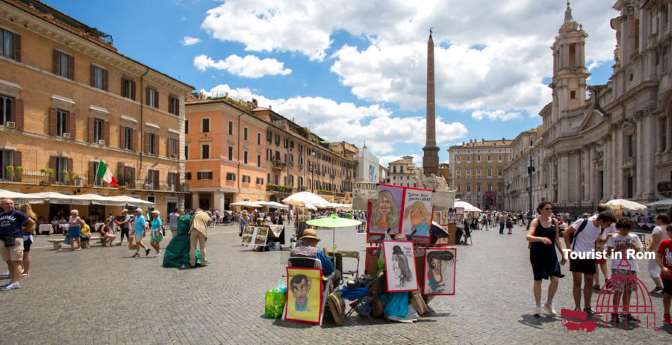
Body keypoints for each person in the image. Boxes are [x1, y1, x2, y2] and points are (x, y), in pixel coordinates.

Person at [563, 210, 616, 315]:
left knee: (589, 282)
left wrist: (607, 239)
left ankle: (587, 307)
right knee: (577, 283)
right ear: (601, 220)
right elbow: (566, 233)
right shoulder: (583, 222)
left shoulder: (602, 228)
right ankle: (577, 307)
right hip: (577, 255)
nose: (609, 226)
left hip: (590, 256)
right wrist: (569, 250)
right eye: (608, 223)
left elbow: (598, 242)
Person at [527, 201, 565, 317]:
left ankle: (548, 303)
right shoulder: (535, 221)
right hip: (537, 253)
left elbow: (557, 239)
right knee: (538, 279)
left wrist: (563, 254)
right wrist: (542, 239)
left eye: (551, 209)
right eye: (547, 209)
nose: (550, 211)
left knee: (555, 279)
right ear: (541, 210)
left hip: (551, 254)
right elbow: (528, 236)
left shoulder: (554, 222)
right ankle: (538, 306)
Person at [605, 218, 642, 323]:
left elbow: (640, 253)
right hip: (617, 267)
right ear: (619, 228)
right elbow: (608, 254)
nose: (625, 232)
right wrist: (617, 248)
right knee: (618, 290)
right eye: (623, 229)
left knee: (628, 291)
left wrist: (634, 247)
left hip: (632, 267)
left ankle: (625, 312)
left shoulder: (634, 236)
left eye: (627, 230)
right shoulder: (613, 237)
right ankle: (615, 313)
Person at [0, 198, 33, 291]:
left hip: (16, 239)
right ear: (2, 205)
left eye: (11, 203)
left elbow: (31, 223)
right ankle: (12, 280)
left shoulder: (18, 213)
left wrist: (23, 230)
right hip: (3, 240)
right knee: (9, 261)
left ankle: (16, 282)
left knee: (16, 261)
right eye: (7, 204)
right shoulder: (1, 215)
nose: (10, 205)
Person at [648, 214, 670, 294]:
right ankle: (664, 286)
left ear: (660, 219)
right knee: (663, 268)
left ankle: (659, 285)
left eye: (656, 218)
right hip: (667, 251)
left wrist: (650, 251)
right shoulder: (668, 227)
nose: (655, 220)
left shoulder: (657, 228)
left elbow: (655, 241)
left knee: (651, 269)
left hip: (657, 251)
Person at [656, 225, 672, 325]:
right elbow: (658, 257)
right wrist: (663, 267)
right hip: (668, 275)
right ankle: (666, 315)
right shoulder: (665, 243)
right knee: (667, 296)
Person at [18, 204, 36, 277]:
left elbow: (30, 226)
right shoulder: (32, 216)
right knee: (23, 255)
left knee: (24, 255)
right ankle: (23, 270)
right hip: (27, 237)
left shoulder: (26, 216)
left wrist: (23, 229)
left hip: (25, 237)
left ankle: (25, 271)